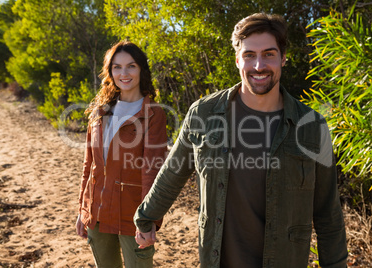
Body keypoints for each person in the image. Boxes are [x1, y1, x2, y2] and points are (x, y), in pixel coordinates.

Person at [134, 12, 348, 268]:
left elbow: (328, 214)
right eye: (249, 55)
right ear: (237, 60)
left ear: (283, 58)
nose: (259, 66)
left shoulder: (312, 126)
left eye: (269, 54)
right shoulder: (203, 113)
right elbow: (172, 173)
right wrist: (146, 218)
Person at [76, 41, 167, 268]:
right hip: (97, 213)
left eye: (131, 66)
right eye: (117, 67)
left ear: (141, 70)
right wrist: (83, 209)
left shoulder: (153, 114)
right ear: (110, 72)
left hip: (133, 217)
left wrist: (148, 221)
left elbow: (152, 171)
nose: (123, 73)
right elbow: (89, 166)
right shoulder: (99, 112)